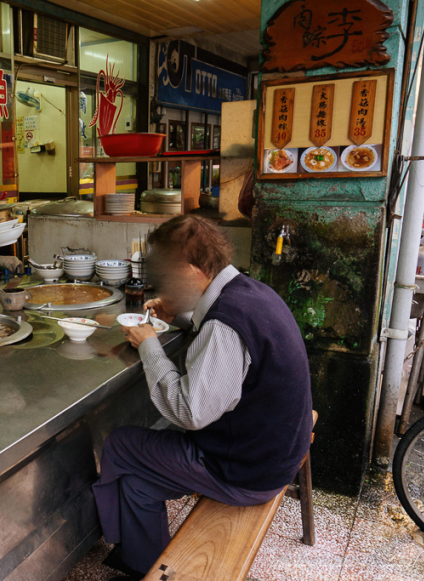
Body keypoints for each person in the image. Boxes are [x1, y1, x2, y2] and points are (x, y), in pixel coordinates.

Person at [93, 215, 313, 580]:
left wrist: (149, 345)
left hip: (247, 471)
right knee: (137, 485)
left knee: (120, 445)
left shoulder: (224, 325)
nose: (159, 284)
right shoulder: (249, 292)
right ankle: (139, 566)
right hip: (275, 451)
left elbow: (189, 412)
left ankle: (110, 541)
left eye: (165, 276)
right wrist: (178, 314)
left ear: (193, 270)